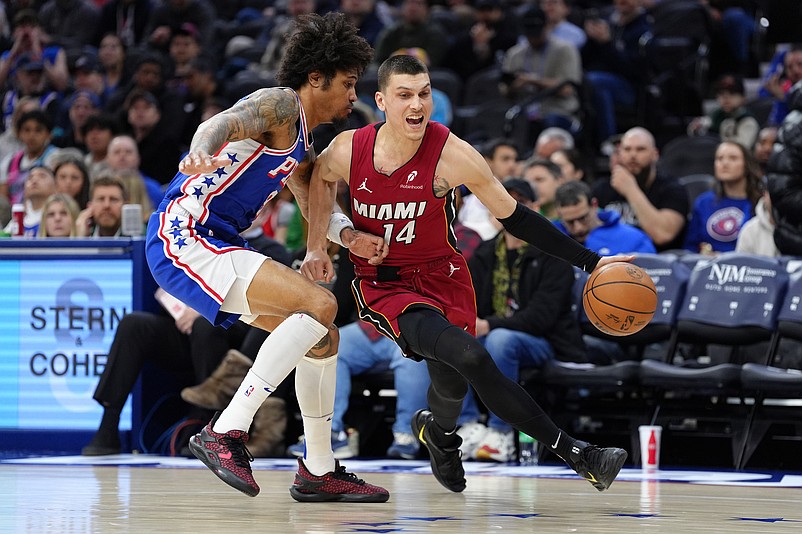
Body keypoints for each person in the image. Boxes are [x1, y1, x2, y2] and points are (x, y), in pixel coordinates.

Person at [302, 54, 630, 494]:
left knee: (450, 383)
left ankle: (438, 434)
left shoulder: (451, 154)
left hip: (445, 276)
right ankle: (577, 452)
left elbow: (516, 217)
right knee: (472, 356)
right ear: (381, 101)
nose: (417, 105)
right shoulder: (347, 148)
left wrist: (592, 263)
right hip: (386, 284)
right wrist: (332, 241)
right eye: (404, 96)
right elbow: (312, 183)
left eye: (424, 94)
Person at [144, 12, 389, 502]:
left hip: (217, 239)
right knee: (318, 306)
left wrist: (348, 237)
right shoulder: (279, 104)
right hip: (185, 233)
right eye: (347, 83)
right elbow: (219, 125)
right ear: (315, 78)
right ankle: (226, 431)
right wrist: (198, 152)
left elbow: (311, 201)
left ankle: (318, 470)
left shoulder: (302, 141)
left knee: (323, 336)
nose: (354, 96)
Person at [456, 178, 587, 462]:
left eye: (519, 204)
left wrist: (490, 325)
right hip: (496, 336)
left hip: (547, 342)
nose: (509, 211)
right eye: (502, 203)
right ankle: (468, 425)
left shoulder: (553, 252)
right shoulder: (485, 253)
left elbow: (542, 318)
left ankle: (501, 432)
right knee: (454, 337)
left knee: (500, 339)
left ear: (533, 208)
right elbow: (470, 303)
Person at [592, 126, 689, 251]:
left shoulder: (672, 189)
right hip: (611, 259)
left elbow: (663, 234)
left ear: (655, 155)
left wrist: (631, 190)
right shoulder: (602, 189)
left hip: (659, 265)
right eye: (627, 149)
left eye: (640, 149)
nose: (633, 155)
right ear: (620, 154)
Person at [683, 140, 763, 254]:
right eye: (720, 158)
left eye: (733, 158)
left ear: (746, 164)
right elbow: (690, 246)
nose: (725, 163)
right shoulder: (703, 202)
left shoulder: (760, 202)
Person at [554, 180, 656, 255]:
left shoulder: (634, 239)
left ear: (594, 205)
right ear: (559, 214)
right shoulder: (550, 239)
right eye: (570, 222)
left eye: (583, 218)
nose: (578, 228)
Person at [687, 74, 759, 149]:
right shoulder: (717, 115)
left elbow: (742, 148)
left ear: (743, 98)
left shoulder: (747, 120)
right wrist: (696, 129)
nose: (726, 98)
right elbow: (699, 127)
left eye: (732, 93)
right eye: (721, 94)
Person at [76, 172, 126, 237]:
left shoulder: (140, 238)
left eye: (113, 199)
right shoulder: (83, 236)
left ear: (125, 206)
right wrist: (80, 239)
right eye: (101, 199)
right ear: (90, 206)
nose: (106, 205)